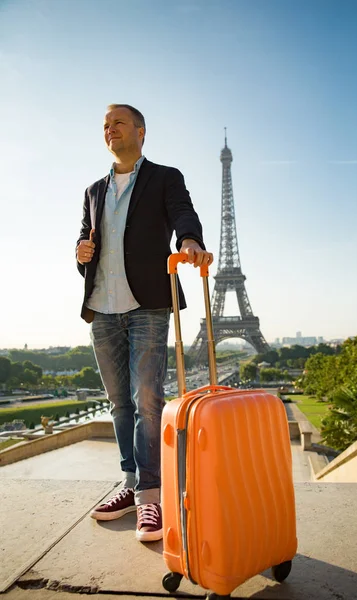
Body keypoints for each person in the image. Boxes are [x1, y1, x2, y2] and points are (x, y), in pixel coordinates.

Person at [76, 104, 213, 542]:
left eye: (116, 123)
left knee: (148, 399)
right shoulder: (93, 191)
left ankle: (151, 498)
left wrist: (190, 240)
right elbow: (86, 242)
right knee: (120, 404)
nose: (109, 130)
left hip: (148, 304)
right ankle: (131, 483)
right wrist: (80, 252)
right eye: (104, 126)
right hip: (102, 306)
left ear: (140, 131)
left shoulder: (166, 177)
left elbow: (182, 215)